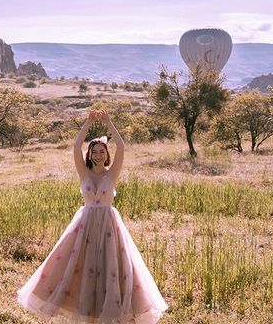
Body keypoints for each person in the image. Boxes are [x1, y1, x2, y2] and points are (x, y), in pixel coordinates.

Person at [17, 108, 168, 323]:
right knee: (79, 269)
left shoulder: (111, 174)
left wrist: (108, 121)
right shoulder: (84, 173)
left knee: (110, 270)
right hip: (85, 226)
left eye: (102, 152)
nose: (98, 155)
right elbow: (76, 146)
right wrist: (88, 122)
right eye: (94, 151)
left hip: (108, 226)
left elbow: (122, 146)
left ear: (107, 155)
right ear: (90, 155)